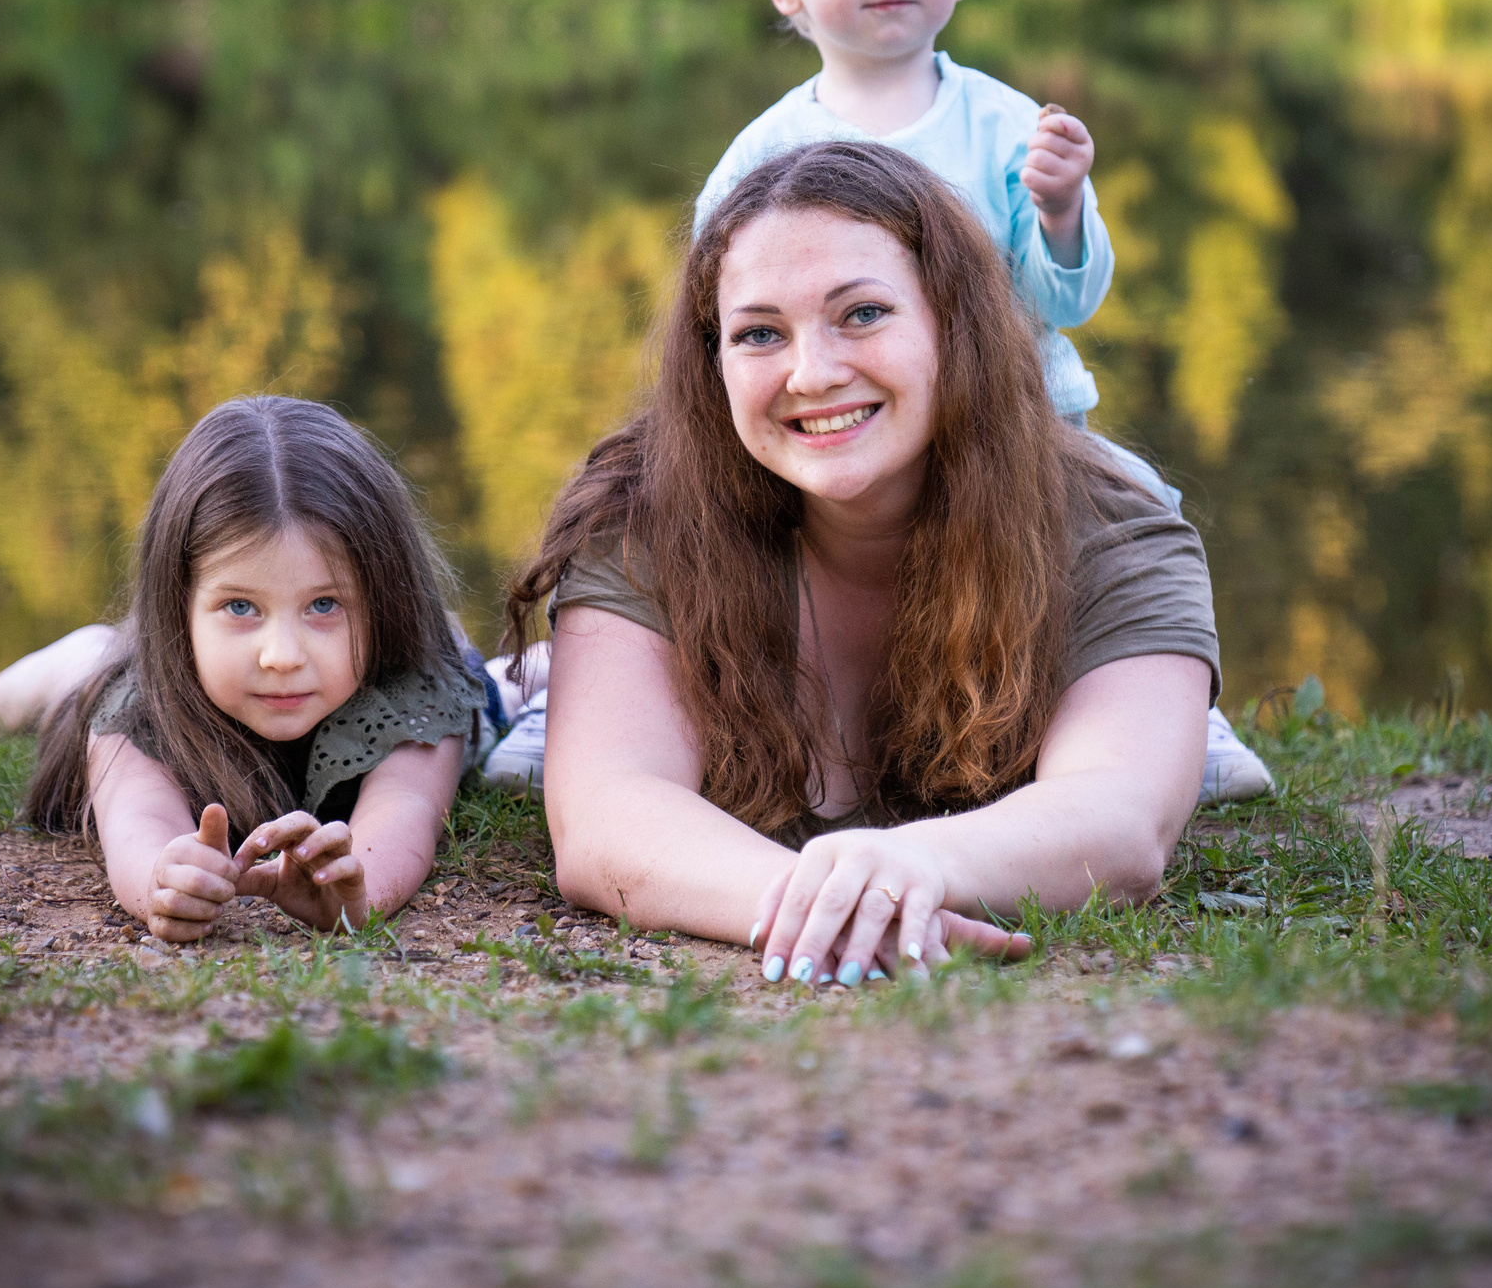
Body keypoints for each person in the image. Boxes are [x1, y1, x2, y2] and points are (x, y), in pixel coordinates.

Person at [488, 0, 1271, 805]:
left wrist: (1064, 211)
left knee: (1133, 513)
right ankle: (574, 701)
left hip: (1011, 430)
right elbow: (720, 320)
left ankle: (1170, 709)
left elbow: (1062, 299)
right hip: (825, 441)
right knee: (658, 523)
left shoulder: (1001, 125)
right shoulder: (764, 151)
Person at [506, 142, 1222, 985]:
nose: (813, 373)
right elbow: (605, 819)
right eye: (760, 333)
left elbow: (1122, 818)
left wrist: (922, 864)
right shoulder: (642, 516)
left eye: (863, 314)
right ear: (715, 362)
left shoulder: (1113, 527)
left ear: (953, 325)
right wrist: (842, 902)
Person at [0, 397, 487, 943]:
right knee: (91, 673)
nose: (282, 656)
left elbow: (406, 805)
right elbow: (137, 817)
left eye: (324, 605)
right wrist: (161, 881)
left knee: (482, 664)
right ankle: (76, 656)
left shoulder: (416, 687)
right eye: (241, 607)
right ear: (179, 606)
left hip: (438, 653)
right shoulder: (137, 703)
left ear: (383, 600)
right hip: (128, 666)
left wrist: (359, 889)